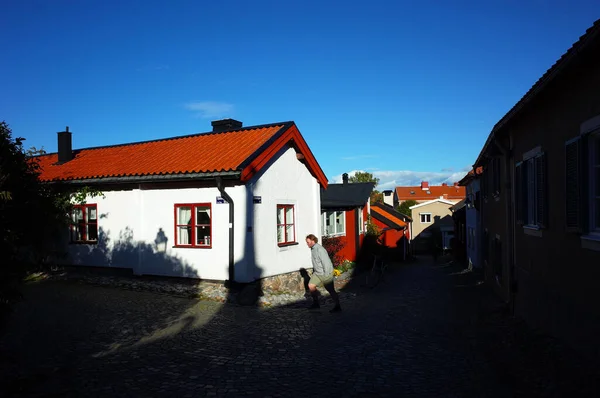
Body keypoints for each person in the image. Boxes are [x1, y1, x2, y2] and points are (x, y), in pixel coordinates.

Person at [305, 234, 342, 313]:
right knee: (311, 285)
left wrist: (327, 274)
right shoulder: (312, 249)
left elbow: (326, 263)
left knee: (331, 290)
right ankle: (316, 303)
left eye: (308, 242)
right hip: (317, 273)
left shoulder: (320, 250)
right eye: (306, 242)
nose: (307, 244)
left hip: (326, 273)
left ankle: (337, 306)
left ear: (313, 241)